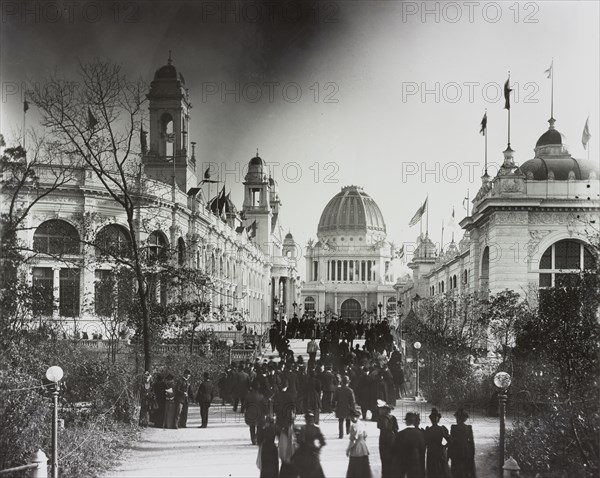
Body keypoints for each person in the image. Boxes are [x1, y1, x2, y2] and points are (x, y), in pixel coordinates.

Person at [293, 411, 326, 478]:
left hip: (304, 453)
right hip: (314, 454)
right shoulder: (316, 428)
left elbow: (300, 441)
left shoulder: (303, 428)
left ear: (306, 419)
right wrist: (317, 449)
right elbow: (323, 442)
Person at [394, 411, 426, 478]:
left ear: (406, 422)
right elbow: (422, 448)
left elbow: (396, 448)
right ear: (414, 421)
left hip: (403, 459)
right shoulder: (419, 433)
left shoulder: (400, 434)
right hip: (415, 459)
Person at [448, 409, 476, 478]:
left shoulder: (454, 428)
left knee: (456, 471)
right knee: (465, 471)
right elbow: (472, 443)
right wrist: (472, 455)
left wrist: (449, 454)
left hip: (456, 452)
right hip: (466, 452)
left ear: (459, 418)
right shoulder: (469, 428)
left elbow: (451, 442)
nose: (456, 419)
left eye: (456, 417)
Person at [424, 408, 451, 478]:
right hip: (439, 451)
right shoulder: (441, 429)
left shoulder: (428, 430)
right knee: (441, 470)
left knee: (432, 471)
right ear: (438, 419)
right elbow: (450, 440)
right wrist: (444, 446)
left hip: (431, 452)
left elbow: (425, 442)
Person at [346, 406, 371, 478]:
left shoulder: (354, 426)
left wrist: (348, 449)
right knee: (364, 467)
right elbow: (365, 435)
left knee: (355, 468)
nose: (351, 419)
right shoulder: (362, 424)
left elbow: (353, 440)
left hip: (356, 449)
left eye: (351, 417)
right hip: (363, 447)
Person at [376, 399, 398, 478]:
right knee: (391, 460)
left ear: (384, 410)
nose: (379, 410)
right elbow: (396, 430)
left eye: (380, 409)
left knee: (385, 462)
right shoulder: (393, 418)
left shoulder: (381, 419)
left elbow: (383, 429)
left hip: (384, 441)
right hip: (392, 440)